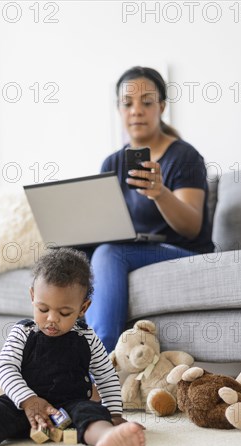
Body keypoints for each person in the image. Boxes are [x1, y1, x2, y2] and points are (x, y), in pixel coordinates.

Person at [0, 248, 145, 446]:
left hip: (69, 408)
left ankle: (106, 437)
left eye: (64, 313)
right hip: (21, 406)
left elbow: (106, 376)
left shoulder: (87, 337)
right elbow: (5, 367)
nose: (52, 319)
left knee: (92, 412)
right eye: (43, 309)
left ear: (83, 308)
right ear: (33, 296)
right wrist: (28, 400)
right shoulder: (23, 332)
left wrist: (114, 414)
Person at [84, 66, 214, 353]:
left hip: (182, 250)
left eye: (147, 102)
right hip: (133, 248)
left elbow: (192, 227)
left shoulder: (184, 156)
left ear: (162, 107)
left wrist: (160, 193)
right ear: (119, 109)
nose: (136, 111)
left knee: (108, 252)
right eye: (127, 103)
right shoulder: (112, 163)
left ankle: (98, 365)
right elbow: (107, 225)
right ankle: (58, 359)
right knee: (73, 256)